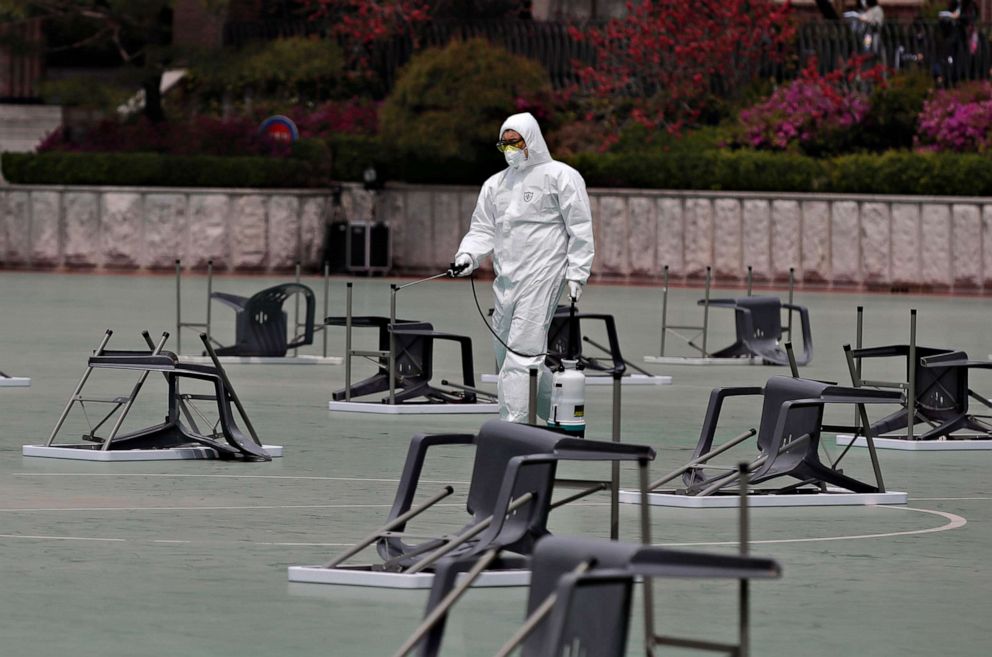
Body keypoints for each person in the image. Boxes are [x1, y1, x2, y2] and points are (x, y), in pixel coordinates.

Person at [452, 112, 594, 423]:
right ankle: (558, 411)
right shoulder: (496, 184)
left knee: (521, 352)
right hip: (507, 280)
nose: (510, 149)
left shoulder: (561, 176)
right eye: (504, 144)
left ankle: (512, 426)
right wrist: (468, 255)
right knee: (507, 354)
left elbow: (579, 227)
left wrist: (578, 272)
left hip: (544, 274)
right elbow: (483, 229)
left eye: (515, 142)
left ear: (531, 139)